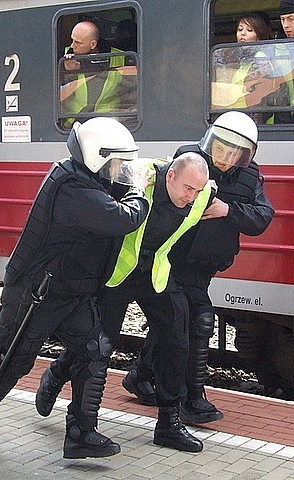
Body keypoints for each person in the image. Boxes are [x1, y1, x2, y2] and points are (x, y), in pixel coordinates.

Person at [0, 117, 150, 459]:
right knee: (14, 360)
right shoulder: (71, 187)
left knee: (94, 350)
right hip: (37, 292)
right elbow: (122, 218)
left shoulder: (84, 178)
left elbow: (109, 197)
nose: (121, 170)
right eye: (117, 163)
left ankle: (81, 433)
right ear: (95, 157)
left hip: (70, 290)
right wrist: (140, 190)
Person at [35, 152, 213, 453]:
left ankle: (169, 423)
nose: (192, 197)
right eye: (187, 188)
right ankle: (57, 376)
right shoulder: (140, 176)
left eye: (198, 191)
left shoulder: (202, 192)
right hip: (119, 272)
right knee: (97, 343)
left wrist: (229, 209)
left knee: (177, 336)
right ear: (170, 176)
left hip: (154, 272)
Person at [122, 111, 274, 425]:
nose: (225, 157)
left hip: (205, 265)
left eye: (235, 153)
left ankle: (140, 376)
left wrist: (226, 209)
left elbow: (262, 216)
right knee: (198, 321)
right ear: (210, 141)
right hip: (174, 261)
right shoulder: (188, 160)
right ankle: (191, 398)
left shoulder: (250, 176)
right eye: (220, 148)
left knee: (178, 323)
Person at [60, 21, 127, 127]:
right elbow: (57, 93)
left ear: (93, 44)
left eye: (78, 42)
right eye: (72, 40)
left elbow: (128, 91)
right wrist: (68, 72)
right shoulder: (65, 56)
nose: (72, 46)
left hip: (106, 123)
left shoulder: (120, 57)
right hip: (72, 124)